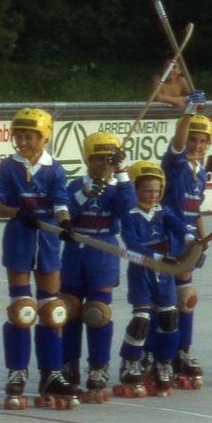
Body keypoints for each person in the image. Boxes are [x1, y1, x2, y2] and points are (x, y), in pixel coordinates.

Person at [0, 107, 77, 409]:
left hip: (48, 238)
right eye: (19, 135)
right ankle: (17, 372)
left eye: (29, 136)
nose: (22, 141)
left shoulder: (55, 168)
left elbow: (61, 199)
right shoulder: (7, 168)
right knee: (22, 309)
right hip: (20, 237)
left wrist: (64, 222)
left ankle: (51, 372)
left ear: (44, 137)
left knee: (52, 309)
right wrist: (16, 212)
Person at [59, 132, 133, 401]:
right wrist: (84, 193)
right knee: (69, 310)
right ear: (87, 160)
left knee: (96, 312)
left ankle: (98, 367)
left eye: (108, 160)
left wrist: (122, 174)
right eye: (97, 159)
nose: (103, 164)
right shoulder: (76, 184)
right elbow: (65, 210)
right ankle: (68, 365)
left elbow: (127, 210)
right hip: (75, 249)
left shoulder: (118, 185)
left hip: (102, 249)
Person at [115, 161, 192, 398]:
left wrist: (190, 238)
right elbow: (133, 245)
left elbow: (178, 226)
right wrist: (159, 256)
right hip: (142, 271)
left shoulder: (163, 211)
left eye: (157, 191)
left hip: (164, 273)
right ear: (136, 190)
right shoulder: (130, 216)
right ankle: (130, 361)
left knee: (169, 317)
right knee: (142, 320)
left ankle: (164, 363)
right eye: (148, 190)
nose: (153, 195)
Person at [159, 97, 209, 387]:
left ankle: (182, 352)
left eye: (203, 141)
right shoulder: (175, 164)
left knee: (186, 299)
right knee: (164, 301)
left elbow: (197, 208)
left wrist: (202, 239)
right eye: (194, 139)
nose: (197, 145)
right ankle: (159, 354)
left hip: (188, 241)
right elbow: (177, 144)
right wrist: (188, 114)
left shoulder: (200, 173)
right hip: (167, 237)